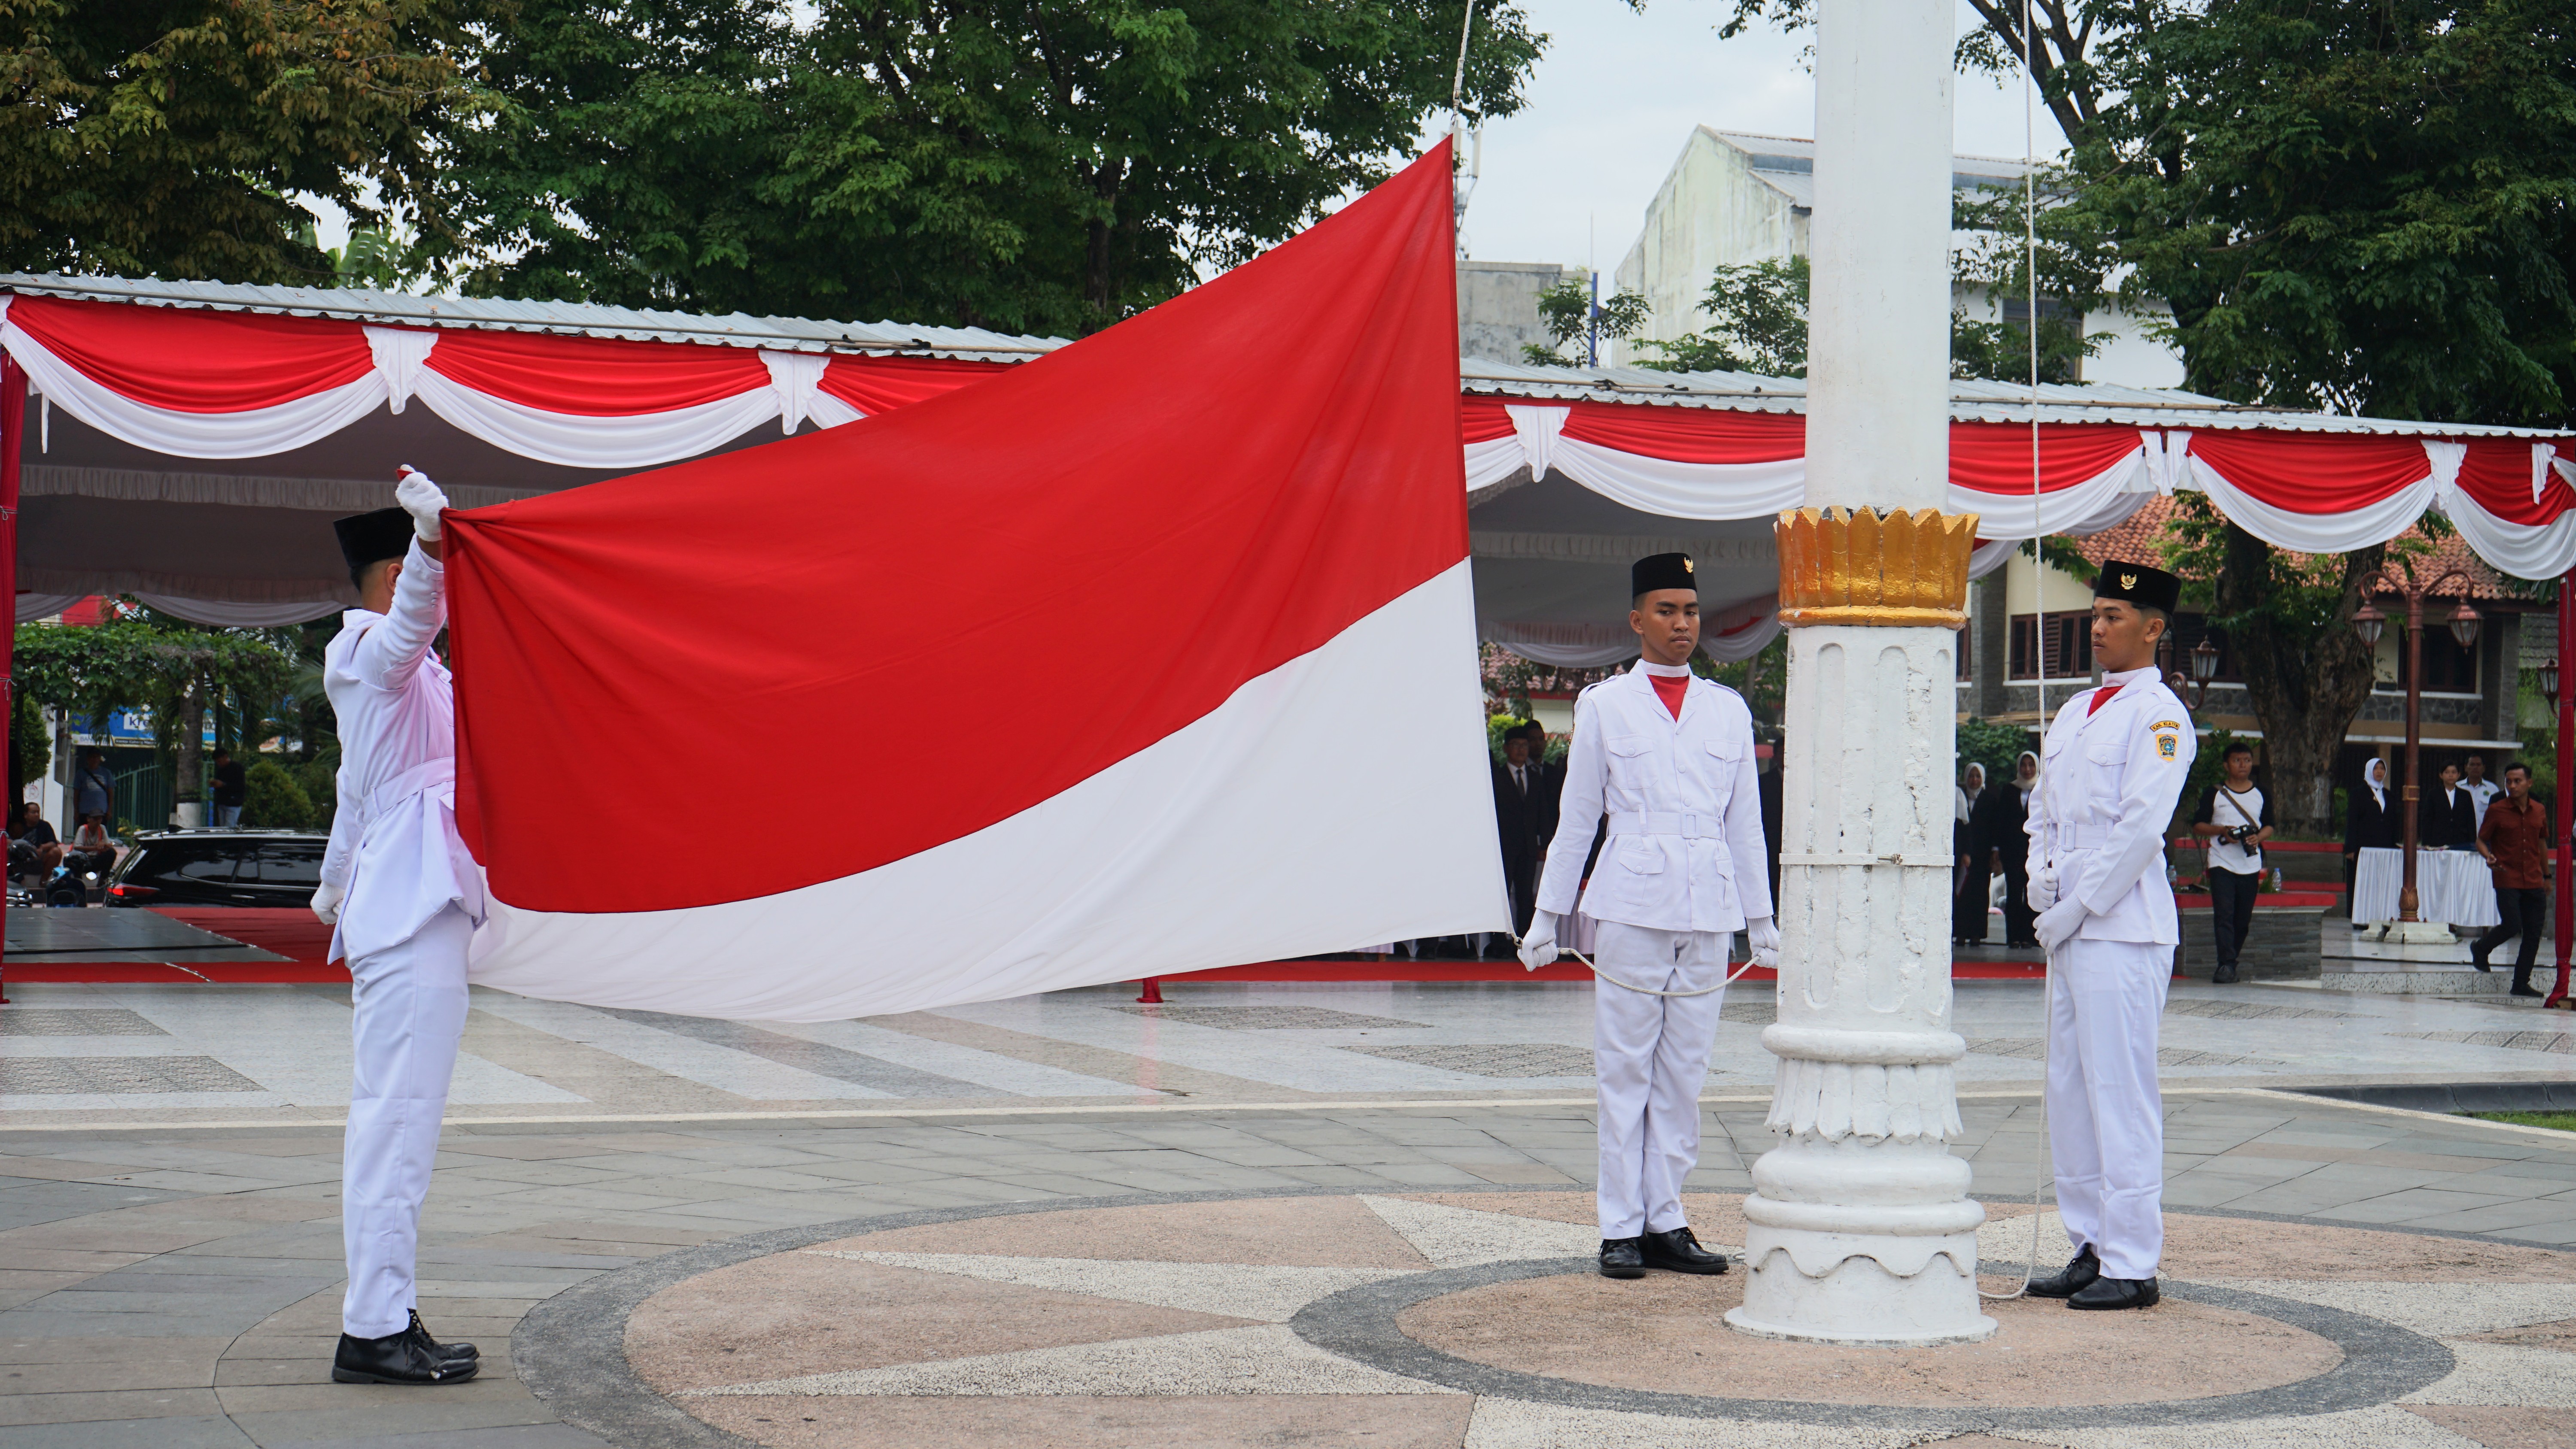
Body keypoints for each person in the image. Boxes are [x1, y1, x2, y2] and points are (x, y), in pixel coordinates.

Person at [1519, 553, 1776, 1282]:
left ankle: (1667, 1216)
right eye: (1666, 611)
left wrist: (1760, 917)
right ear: (1637, 620)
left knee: (1684, 1073)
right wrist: (1549, 917)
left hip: (1707, 906)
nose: (1682, 624)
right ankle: (1620, 1226)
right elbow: (1578, 821)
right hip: (1631, 902)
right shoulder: (1605, 705)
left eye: (1691, 611)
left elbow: (1746, 824)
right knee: (1625, 1069)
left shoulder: (1726, 708)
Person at [313, 474, 486, 1386]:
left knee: (400, 1117)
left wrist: (331, 884)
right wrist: (431, 543)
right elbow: (410, 624)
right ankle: (374, 1326)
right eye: (425, 570)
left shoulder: (416, 675)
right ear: (393, 577)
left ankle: (384, 1312)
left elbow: (355, 791)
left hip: (410, 900)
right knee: (396, 1120)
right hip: (412, 907)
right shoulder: (368, 650)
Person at [2023, 560, 2196, 1312]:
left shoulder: (2161, 717)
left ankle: (2133, 1258)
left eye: (2116, 616)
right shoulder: (2074, 712)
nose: (2098, 627)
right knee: (2070, 1090)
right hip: (2069, 923)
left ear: (2154, 628)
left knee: (2120, 1093)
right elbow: (2044, 811)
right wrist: (2036, 878)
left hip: (2122, 930)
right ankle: (2089, 1244)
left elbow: (2139, 834)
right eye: (2095, 614)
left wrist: (2075, 907)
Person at [2190, 741, 2275, 983]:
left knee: (2242, 919)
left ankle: (2231, 962)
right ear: (2226, 764)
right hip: (2221, 862)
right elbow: (2198, 825)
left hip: (2250, 863)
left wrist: (2257, 837)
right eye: (2237, 761)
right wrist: (2221, 831)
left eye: (2247, 760)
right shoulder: (2214, 793)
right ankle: (2225, 965)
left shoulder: (2261, 794)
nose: (2243, 765)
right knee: (2224, 914)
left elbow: (2270, 824)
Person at [2473, 762, 2552, 996]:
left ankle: (2520, 983)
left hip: (2535, 879)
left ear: (2529, 783)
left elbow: (2542, 844)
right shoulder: (2497, 810)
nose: (2513, 786)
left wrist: (2547, 876)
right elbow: (2480, 840)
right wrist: (2489, 857)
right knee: (2512, 924)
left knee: (2533, 933)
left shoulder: (2539, 810)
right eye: (2509, 781)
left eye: (2518, 781)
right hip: (2506, 877)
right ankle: (2481, 948)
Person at [1492, 726, 1550, 940]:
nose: (1521, 750)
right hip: (1504, 846)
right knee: (1503, 895)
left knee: (1526, 895)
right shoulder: (1496, 777)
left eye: (1524, 746)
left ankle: (1526, 941)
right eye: (1516, 745)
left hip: (1528, 846)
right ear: (1507, 748)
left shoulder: (1535, 777)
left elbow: (1542, 813)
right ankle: (1500, 943)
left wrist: (1544, 844)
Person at [1981, 751, 2040, 948]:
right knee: (2014, 893)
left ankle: (2030, 937)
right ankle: (2014, 937)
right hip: (2013, 851)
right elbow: (2001, 821)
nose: (2027, 769)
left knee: (2032, 893)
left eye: (2031, 765)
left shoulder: (2043, 789)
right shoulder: (2009, 790)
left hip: (2035, 851)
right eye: (2024, 765)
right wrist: (1997, 848)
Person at [2344, 757, 2397, 910]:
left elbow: (2393, 822)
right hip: (2363, 847)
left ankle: (2379, 913)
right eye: (2376, 768)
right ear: (2369, 771)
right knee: (2361, 882)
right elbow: (2352, 822)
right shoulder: (2358, 794)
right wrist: (2350, 848)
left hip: (2384, 847)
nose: (2379, 772)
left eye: (2382, 768)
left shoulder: (2389, 795)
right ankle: (2359, 916)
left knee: (2380, 883)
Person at [1955, 763, 1990, 944]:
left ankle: (1977, 934)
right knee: (1962, 894)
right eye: (1971, 776)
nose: (1974, 780)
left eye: (1978, 776)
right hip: (1964, 854)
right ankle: (1960, 933)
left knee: (1980, 894)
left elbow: (1994, 827)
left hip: (1983, 855)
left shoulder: (1989, 799)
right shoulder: (1959, 797)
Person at [2418, 761, 2474, 850]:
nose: (2451, 775)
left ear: (2459, 775)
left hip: (2461, 842)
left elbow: (2471, 821)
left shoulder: (2465, 795)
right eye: (2447, 772)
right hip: (2438, 842)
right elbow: (2427, 819)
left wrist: (2472, 843)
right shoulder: (2433, 794)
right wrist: (2426, 843)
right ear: (2441, 775)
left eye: (2454, 772)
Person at [2462, 753, 2501, 833]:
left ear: (2484, 768)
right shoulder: (2457, 788)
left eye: (2478, 765)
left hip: (2485, 837)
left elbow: (2498, 815)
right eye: (2472, 765)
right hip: (2462, 838)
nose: (2475, 767)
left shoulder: (2493, 789)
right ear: (2466, 768)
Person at [72, 750, 112, 826]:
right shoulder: (81, 773)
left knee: (101, 834)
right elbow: (76, 794)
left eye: (97, 757)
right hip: (85, 811)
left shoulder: (106, 773)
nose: (95, 760)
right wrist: (76, 811)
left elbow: (110, 793)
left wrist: (109, 810)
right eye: (92, 757)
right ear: (88, 759)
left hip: (102, 811)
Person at [212, 749, 248, 828]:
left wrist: (224, 785)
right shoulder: (220, 770)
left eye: (220, 761)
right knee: (222, 828)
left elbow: (240, 787)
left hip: (233, 803)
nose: (219, 764)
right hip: (222, 803)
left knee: (229, 827)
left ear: (226, 757)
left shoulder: (237, 768)